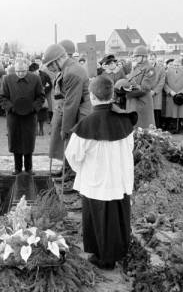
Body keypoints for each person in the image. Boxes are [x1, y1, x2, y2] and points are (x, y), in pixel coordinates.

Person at [65, 75, 136, 270]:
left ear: (92, 97)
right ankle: (116, 253)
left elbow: (72, 156)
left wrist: (83, 171)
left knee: (99, 219)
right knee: (117, 217)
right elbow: (129, 148)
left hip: (96, 181)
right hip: (119, 179)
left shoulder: (86, 125)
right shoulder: (124, 121)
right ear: (112, 95)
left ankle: (103, 258)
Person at [43, 44, 91, 182]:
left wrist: (66, 128)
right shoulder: (67, 69)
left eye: (50, 65)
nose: (49, 68)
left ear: (58, 60)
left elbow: (71, 104)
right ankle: (66, 169)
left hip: (79, 112)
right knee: (68, 144)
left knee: (72, 143)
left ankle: (71, 177)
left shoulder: (71, 72)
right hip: (73, 108)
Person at [0, 58, 45, 174]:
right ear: (14, 70)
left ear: (27, 69)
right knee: (15, 140)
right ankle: (17, 168)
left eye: (23, 71)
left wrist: (33, 108)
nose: (20, 74)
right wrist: (11, 108)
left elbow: (41, 96)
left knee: (28, 140)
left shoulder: (35, 79)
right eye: (18, 71)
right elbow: (3, 97)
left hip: (29, 116)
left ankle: (29, 168)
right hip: (13, 116)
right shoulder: (7, 79)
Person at [123, 45, 155, 128]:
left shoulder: (149, 69)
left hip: (142, 102)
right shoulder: (136, 67)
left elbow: (145, 88)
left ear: (144, 57)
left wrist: (129, 91)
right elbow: (130, 81)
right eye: (134, 56)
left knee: (144, 129)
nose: (135, 58)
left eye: (137, 56)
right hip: (133, 102)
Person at [164, 59, 183, 135]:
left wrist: (181, 92)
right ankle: (174, 129)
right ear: (172, 65)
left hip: (182, 96)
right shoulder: (167, 73)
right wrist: (170, 91)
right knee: (173, 113)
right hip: (171, 95)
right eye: (174, 65)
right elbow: (165, 84)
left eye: (178, 65)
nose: (176, 67)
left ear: (181, 65)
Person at [29, 62, 51, 136]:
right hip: (33, 98)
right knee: (34, 114)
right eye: (32, 72)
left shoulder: (44, 75)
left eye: (34, 71)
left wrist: (44, 90)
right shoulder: (30, 76)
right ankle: (35, 130)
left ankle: (41, 130)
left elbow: (50, 85)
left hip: (42, 97)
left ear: (38, 70)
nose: (33, 73)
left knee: (42, 114)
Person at [148, 53, 166, 129]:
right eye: (150, 59)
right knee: (148, 111)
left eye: (153, 59)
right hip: (147, 93)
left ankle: (157, 128)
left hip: (156, 94)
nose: (151, 60)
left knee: (156, 112)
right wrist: (147, 90)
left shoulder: (161, 69)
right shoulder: (144, 68)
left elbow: (162, 82)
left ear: (155, 59)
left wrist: (154, 91)